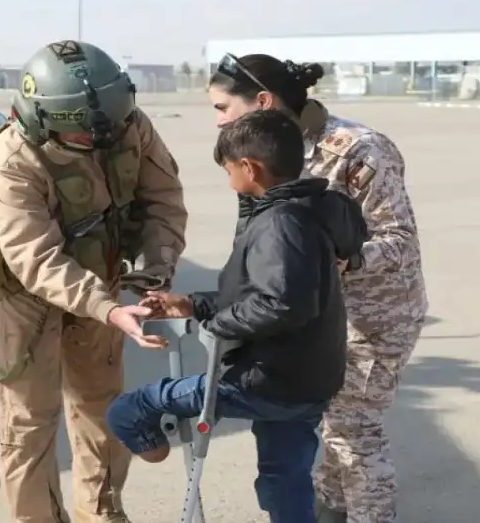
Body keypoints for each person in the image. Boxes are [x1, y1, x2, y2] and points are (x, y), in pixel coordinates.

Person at [0, 40, 188, 523]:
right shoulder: (7, 160)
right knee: (28, 424)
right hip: (24, 297)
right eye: (83, 134)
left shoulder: (126, 123)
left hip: (101, 278)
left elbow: (163, 200)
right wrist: (108, 308)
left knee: (102, 407)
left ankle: (101, 511)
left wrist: (156, 269)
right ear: (43, 121)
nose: (101, 140)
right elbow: (36, 259)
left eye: (110, 126)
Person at [105, 108, 370, 523]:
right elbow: (264, 292)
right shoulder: (311, 209)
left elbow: (280, 303)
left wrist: (214, 326)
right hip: (309, 379)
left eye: (229, 171)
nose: (229, 180)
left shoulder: (280, 224)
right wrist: (193, 304)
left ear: (250, 168)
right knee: (285, 478)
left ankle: (151, 444)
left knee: (129, 409)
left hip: (267, 380)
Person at [205, 53, 429, 523]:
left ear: (263, 101)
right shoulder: (261, 151)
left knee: (352, 431)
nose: (219, 120)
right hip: (315, 314)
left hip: (373, 314)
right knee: (325, 424)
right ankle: (330, 511)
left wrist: (340, 262)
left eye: (223, 108)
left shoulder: (359, 149)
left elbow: (399, 239)